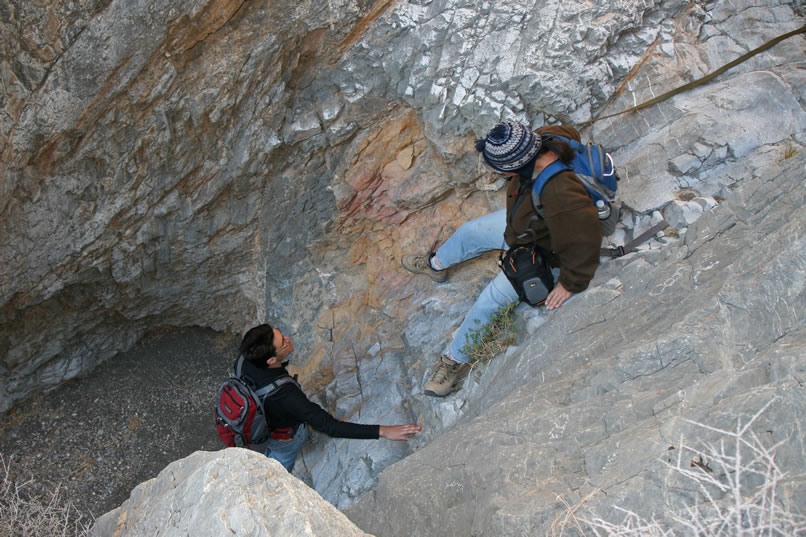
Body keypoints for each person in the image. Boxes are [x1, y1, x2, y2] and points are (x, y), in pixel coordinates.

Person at [402, 121, 602, 397]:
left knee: (490, 301)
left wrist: (570, 282)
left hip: (544, 246)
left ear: (510, 168)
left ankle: (454, 362)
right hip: (525, 226)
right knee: (471, 231)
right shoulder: (546, 139)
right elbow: (567, 130)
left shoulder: (559, 191)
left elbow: (584, 235)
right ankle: (435, 265)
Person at [237, 323, 421, 471]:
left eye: (281, 334)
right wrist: (383, 431)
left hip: (262, 418)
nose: (288, 338)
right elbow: (330, 427)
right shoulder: (287, 397)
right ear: (270, 361)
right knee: (278, 465)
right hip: (283, 439)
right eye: (283, 342)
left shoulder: (245, 360)